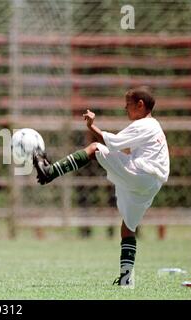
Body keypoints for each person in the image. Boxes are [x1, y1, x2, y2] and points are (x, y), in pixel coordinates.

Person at [33, 86, 169, 286]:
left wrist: (91, 126)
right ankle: (126, 279)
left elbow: (111, 142)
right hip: (151, 183)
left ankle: (49, 172)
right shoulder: (154, 127)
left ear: (141, 105)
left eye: (128, 105)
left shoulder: (144, 124)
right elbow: (128, 149)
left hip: (142, 173)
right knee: (128, 228)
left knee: (96, 148)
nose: (125, 108)